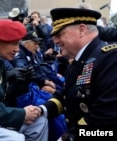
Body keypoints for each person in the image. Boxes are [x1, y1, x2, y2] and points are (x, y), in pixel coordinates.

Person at [39, 7, 117, 140]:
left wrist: (70, 137)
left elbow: (105, 118)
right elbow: (66, 97)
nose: (55, 41)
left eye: (59, 34)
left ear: (81, 30)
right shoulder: (80, 59)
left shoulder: (111, 58)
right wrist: (42, 110)